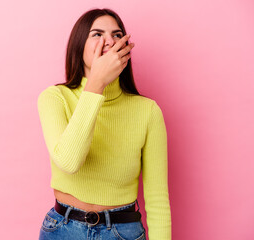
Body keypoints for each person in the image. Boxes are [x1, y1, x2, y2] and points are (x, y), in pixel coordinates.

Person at [37, 8, 171, 240]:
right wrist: (96, 84)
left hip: (122, 232)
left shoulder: (148, 111)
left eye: (117, 35)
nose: (109, 41)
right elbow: (69, 162)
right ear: (79, 47)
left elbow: (157, 200)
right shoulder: (55, 98)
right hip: (63, 230)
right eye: (97, 34)